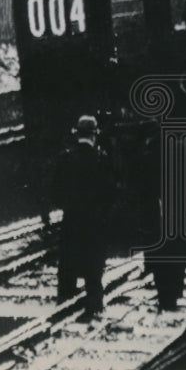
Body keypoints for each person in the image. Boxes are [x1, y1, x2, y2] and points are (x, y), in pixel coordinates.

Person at [52, 114, 112, 321]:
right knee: (94, 268)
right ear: (95, 135)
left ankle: (64, 308)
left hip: (72, 220)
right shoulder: (101, 159)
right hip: (95, 222)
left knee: (68, 265)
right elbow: (111, 193)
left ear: (76, 134)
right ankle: (94, 307)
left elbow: (55, 193)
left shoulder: (65, 158)